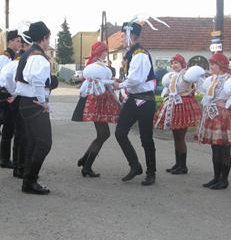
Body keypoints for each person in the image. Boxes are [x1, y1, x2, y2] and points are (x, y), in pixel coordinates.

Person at [112, 21, 157, 186]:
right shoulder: (130, 53)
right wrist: (121, 81)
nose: (122, 39)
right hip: (133, 98)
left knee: (146, 138)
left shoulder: (140, 54)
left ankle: (151, 172)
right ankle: (135, 165)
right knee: (120, 133)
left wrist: (120, 85)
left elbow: (136, 79)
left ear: (133, 36)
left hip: (145, 100)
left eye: (124, 36)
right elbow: (131, 78)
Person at [15, 21, 53, 194]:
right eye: (48, 38)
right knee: (44, 143)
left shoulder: (30, 53)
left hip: (27, 102)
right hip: (34, 104)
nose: (49, 42)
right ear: (44, 37)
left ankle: (28, 179)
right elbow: (36, 80)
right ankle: (29, 181)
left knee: (33, 142)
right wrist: (42, 101)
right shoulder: (37, 56)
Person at [72, 41, 120, 177]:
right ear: (99, 52)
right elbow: (101, 81)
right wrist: (113, 82)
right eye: (105, 51)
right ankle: (86, 166)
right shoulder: (96, 66)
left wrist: (113, 81)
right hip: (97, 102)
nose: (106, 53)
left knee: (103, 134)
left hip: (98, 101)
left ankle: (84, 160)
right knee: (103, 134)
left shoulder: (96, 65)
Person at [195, 52, 231, 190]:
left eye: (213, 64)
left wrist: (227, 102)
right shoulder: (212, 79)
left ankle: (224, 180)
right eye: (211, 64)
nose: (211, 67)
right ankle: (216, 177)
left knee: (224, 148)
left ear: (220, 65)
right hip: (212, 114)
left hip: (225, 115)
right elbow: (206, 94)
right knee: (215, 147)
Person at [154, 54, 201, 174]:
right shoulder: (172, 75)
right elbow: (169, 89)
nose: (174, 65)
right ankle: (178, 163)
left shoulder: (186, 74)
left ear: (182, 64)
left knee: (180, 137)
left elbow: (197, 83)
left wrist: (193, 89)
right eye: (172, 63)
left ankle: (183, 166)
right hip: (173, 105)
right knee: (176, 136)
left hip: (183, 105)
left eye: (176, 63)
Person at [0, 36, 31, 178]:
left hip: (9, 95)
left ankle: (11, 162)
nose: (19, 44)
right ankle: (13, 163)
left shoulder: (11, 62)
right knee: (18, 132)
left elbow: (0, 76)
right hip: (14, 97)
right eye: (17, 41)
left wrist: (5, 89)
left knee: (12, 130)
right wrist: (13, 93)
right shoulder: (7, 59)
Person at [0, 30, 23, 169]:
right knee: (9, 127)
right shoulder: (3, 57)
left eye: (20, 41)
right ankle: (4, 159)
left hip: (12, 94)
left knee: (12, 127)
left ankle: (7, 158)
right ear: (10, 42)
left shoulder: (14, 57)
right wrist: (3, 87)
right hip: (6, 94)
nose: (20, 43)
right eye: (17, 41)